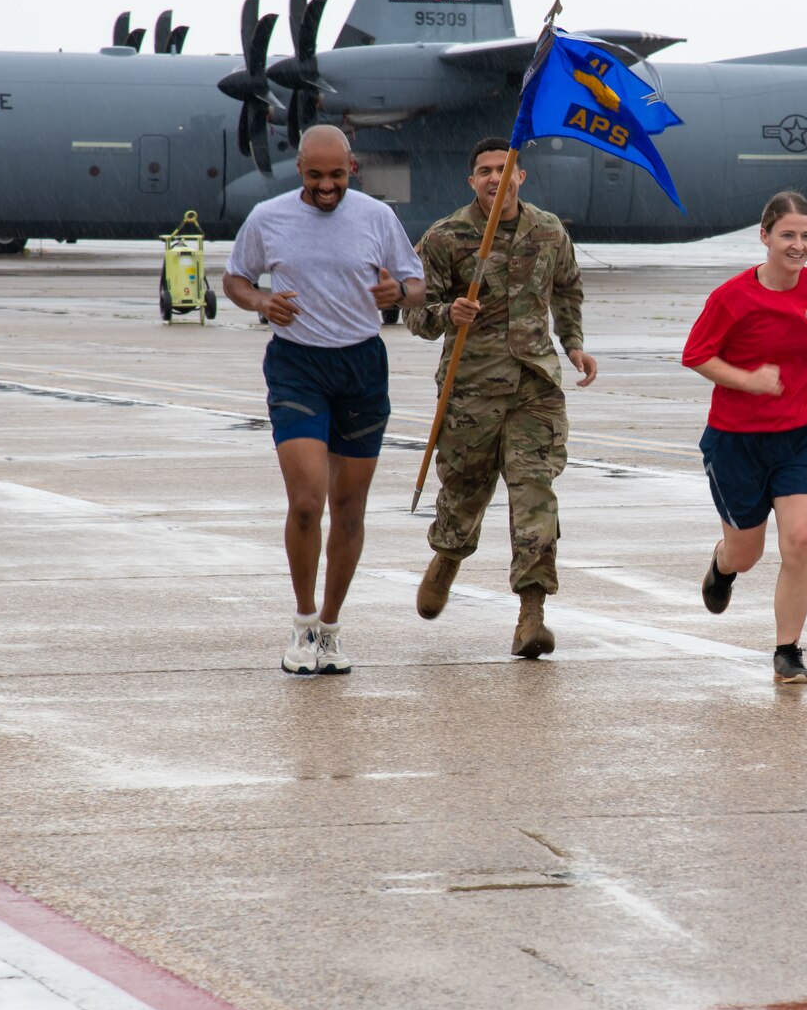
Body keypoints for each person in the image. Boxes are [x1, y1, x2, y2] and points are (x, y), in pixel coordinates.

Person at [223, 125, 425, 676]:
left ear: (352, 168)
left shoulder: (377, 218)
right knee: (308, 501)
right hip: (297, 365)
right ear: (300, 172)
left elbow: (417, 283)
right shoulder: (269, 217)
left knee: (350, 509)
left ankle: (331, 631)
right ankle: (303, 621)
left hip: (361, 365)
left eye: (337, 175)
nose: (327, 186)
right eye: (316, 176)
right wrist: (262, 299)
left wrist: (398, 294)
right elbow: (234, 280)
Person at [406, 137, 596, 657]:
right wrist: (449, 315)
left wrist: (574, 344)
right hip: (470, 389)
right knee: (464, 492)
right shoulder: (446, 237)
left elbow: (568, 289)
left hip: (535, 387)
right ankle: (447, 556)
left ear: (520, 177)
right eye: (485, 170)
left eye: (504, 169)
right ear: (472, 181)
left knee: (535, 496)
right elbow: (415, 313)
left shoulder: (549, 230)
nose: (496, 177)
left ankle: (531, 616)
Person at [683, 191, 807, 684]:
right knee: (748, 552)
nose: (798, 246)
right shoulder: (733, 297)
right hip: (737, 441)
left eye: (806, 236)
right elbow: (696, 355)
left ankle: (787, 651)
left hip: (801, 436)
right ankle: (722, 564)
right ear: (765, 237)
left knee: (799, 539)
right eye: (788, 236)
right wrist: (747, 379)